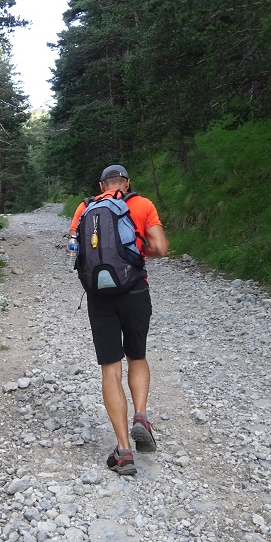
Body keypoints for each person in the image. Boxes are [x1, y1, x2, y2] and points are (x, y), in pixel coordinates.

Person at [68, 164, 168, 476]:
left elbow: (74, 251)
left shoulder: (85, 208)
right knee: (137, 356)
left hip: (99, 296)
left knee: (110, 368)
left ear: (101, 185)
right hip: (135, 290)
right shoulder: (141, 204)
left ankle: (124, 450)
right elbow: (161, 248)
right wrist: (136, 253)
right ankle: (140, 416)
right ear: (127, 182)